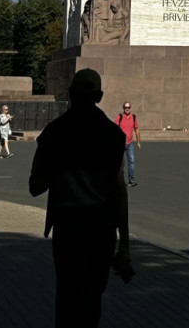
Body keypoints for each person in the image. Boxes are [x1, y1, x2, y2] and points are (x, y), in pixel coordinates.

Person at [29, 69, 131, 328]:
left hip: (68, 226)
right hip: (101, 228)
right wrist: (125, 245)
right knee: (92, 300)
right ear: (100, 96)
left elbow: (35, 186)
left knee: (67, 298)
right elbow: (119, 191)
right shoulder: (113, 135)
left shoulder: (55, 132)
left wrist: (58, 166)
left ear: (71, 94)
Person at [114, 101, 140, 187]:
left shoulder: (133, 117)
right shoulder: (119, 117)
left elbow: (136, 129)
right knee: (120, 163)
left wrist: (138, 141)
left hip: (130, 144)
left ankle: (131, 180)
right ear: (123, 108)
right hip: (120, 144)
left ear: (130, 108)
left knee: (131, 162)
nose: (127, 109)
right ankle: (119, 181)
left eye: (128, 107)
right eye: (125, 107)